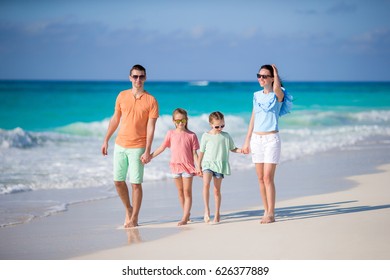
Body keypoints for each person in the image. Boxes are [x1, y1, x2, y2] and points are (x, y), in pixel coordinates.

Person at [101, 64, 159, 228]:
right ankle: (129, 209)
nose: (138, 79)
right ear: (130, 78)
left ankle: (134, 218)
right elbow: (115, 119)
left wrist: (147, 150)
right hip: (120, 144)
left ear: (145, 78)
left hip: (138, 147)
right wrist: (106, 139)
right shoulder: (122, 95)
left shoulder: (151, 100)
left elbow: (151, 127)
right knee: (118, 182)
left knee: (135, 184)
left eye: (141, 76)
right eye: (135, 76)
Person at [242, 64, 292, 224]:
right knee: (260, 178)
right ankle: (266, 210)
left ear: (271, 78)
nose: (261, 79)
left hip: (271, 140)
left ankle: (271, 213)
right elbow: (253, 117)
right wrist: (247, 140)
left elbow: (277, 89)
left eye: (265, 76)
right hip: (257, 139)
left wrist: (276, 74)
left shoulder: (279, 94)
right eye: (259, 75)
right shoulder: (256, 95)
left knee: (267, 177)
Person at [151, 108, 200, 226]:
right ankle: (186, 213)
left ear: (186, 120)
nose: (180, 123)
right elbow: (162, 147)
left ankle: (184, 218)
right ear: (173, 121)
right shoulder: (170, 134)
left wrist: (199, 167)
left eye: (182, 120)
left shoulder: (191, 135)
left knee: (187, 192)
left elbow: (195, 154)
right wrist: (150, 156)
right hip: (175, 166)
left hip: (188, 167)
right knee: (180, 192)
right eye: (177, 121)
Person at [198, 111, 242, 224]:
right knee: (206, 184)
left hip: (219, 165)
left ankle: (217, 214)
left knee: (217, 190)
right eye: (217, 126)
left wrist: (241, 150)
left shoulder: (226, 136)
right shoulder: (205, 136)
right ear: (210, 124)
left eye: (222, 125)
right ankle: (206, 209)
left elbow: (233, 148)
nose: (220, 128)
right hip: (207, 164)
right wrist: (198, 166)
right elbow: (201, 152)